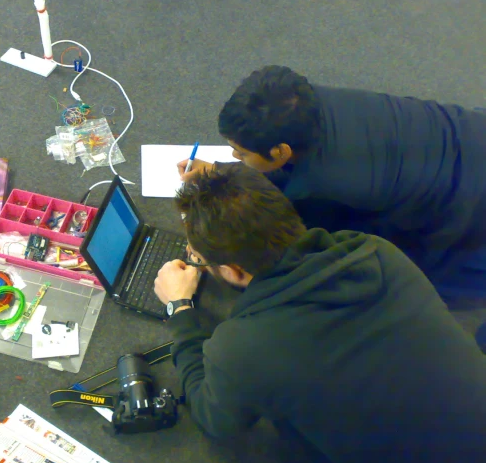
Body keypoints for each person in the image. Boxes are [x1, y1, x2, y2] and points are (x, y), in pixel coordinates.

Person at [154, 165, 486, 463]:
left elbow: (213, 417)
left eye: (200, 256)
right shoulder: (377, 252)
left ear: (233, 270)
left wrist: (180, 308)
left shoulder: (243, 348)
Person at [178, 65, 486, 299]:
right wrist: (221, 169)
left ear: (280, 151)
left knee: (424, 279)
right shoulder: (304, 100)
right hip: (469, 131)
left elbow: (290, 238)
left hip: (465, 205)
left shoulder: (324, 186)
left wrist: (213, 239)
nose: (234, 154)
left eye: (241, 152)